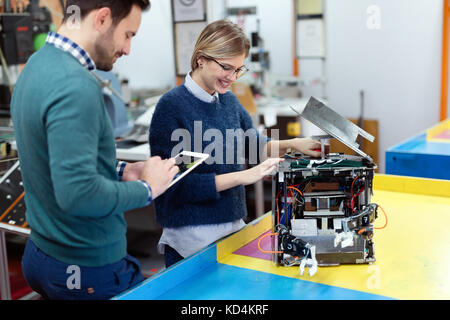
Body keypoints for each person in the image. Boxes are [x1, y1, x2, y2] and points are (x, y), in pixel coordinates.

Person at [10, 0, 179, 300]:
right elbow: (79, 194)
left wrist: (122, 171)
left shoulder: (36, 66)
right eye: (128, 35)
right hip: (86, 268)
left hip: (42, 255)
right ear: (102, 19)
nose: (127, 49)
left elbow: (56, 158)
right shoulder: (77, 86)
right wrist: (147, 188)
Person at [149, 20, 321, 268]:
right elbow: (178, 186)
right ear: (201, 59)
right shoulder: (173, 107)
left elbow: (254, 145)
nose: (232, 77)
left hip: (231, 229)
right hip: (189, 239)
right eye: (226, 68)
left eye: (239, 70)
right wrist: (242, 176)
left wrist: (293, 143)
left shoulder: (227, 102)